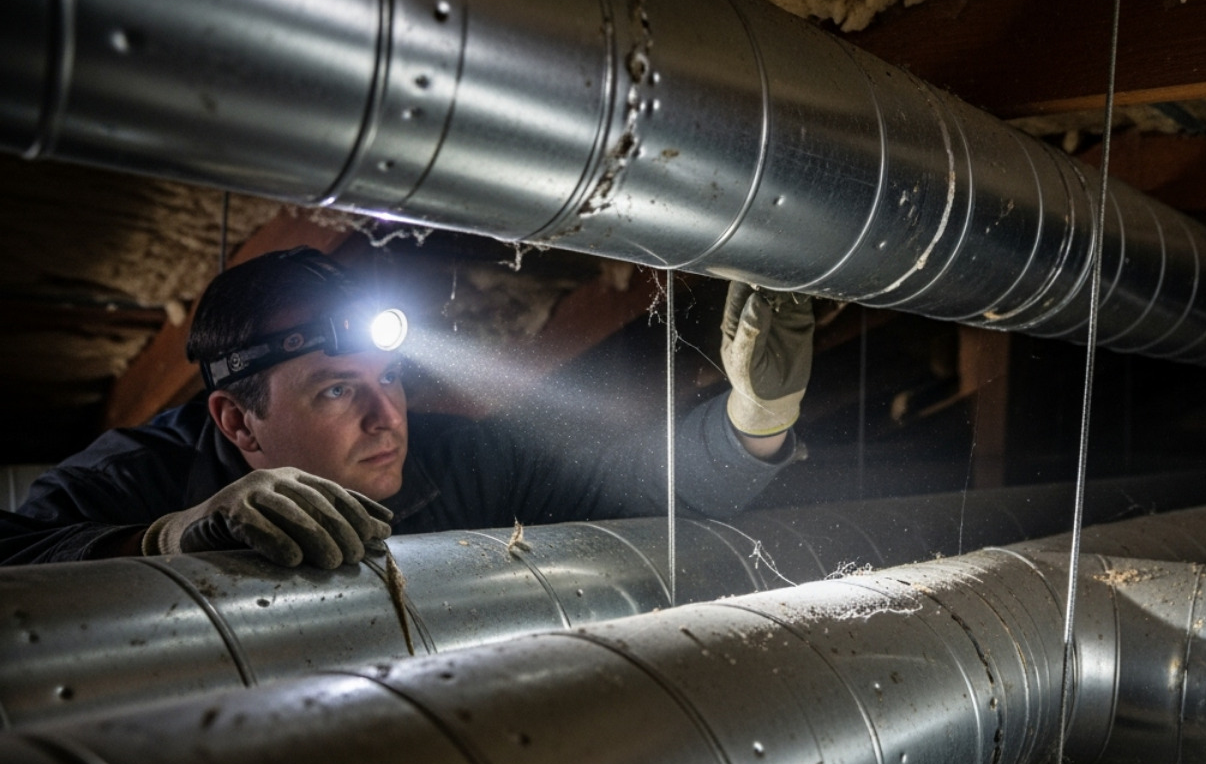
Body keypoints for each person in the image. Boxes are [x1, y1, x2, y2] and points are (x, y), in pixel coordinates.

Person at [0, 248, 815, 567]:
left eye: (387, 377)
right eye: (335, 390)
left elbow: (635, 498)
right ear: (237, 422)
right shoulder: (145, 472)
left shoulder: (456, 458)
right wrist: (173, 534)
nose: (386, 415)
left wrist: (757, 418)